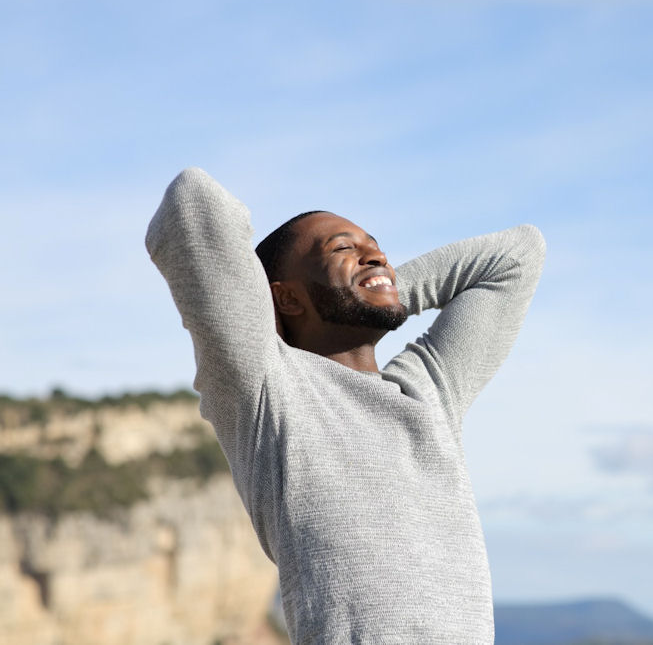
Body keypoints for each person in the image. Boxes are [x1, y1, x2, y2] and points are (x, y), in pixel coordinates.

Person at [145, 167, 545, 644]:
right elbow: (192, 202)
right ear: (286, 297)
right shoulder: (265, 386)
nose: (375, 254)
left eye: (375, 246)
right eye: (342, 248)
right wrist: (304, 308)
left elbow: (519, 254)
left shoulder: (429, 392)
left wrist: (381, 291)